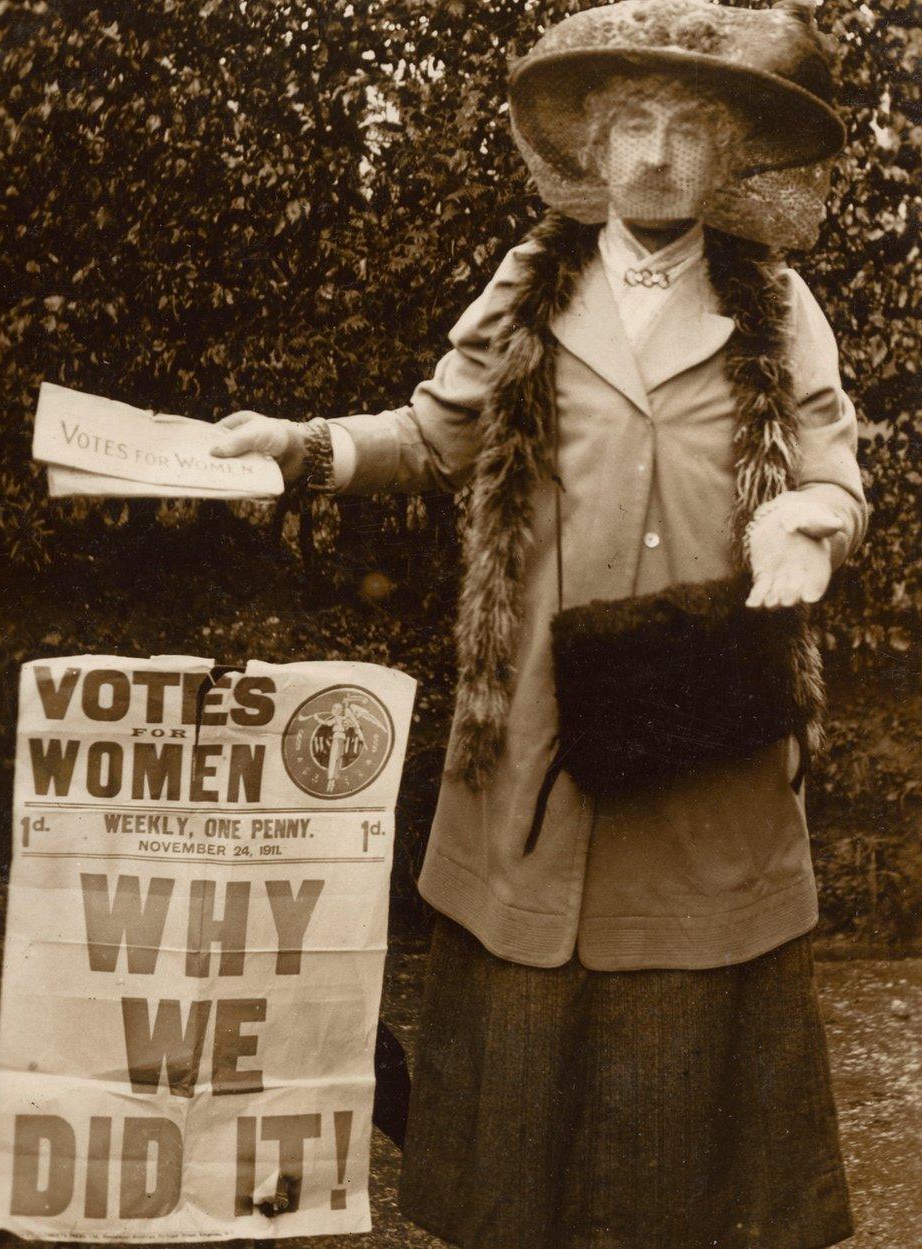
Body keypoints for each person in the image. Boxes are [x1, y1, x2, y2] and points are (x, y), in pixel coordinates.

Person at [212, 2, 868, 1245]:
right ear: (594, 148)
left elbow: (836, 475)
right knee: (528, 1071)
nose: (658, 154)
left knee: (687, 1059)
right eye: (632, 124)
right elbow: (430, 436)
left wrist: (807, 523)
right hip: (538, 726)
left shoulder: (776, 305)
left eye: (687, 127)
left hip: (706, 719)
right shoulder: (532, 282)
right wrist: (299, 448)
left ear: (727, 156)